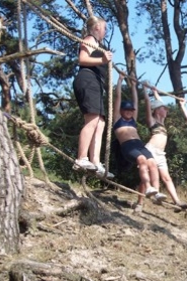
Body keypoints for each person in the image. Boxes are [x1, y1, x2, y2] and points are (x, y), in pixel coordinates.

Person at [113, 73, 167, 212]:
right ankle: (148, 186)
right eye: (127, 110)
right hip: (127, 145)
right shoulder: (117, 119)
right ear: (121, 111)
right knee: (142, 160)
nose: (130, 112)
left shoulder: (133, 120)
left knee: (153, 163)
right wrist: (120, 80)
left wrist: (138, 87)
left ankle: (156, 191)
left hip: (139, 144)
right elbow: (118, 98)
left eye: (131, 110)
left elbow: (136, 102)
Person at [72, 16, 114, 179]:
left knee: (100, 123)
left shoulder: (98, 44)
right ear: (96, 27)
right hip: (87, 80)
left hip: (96, 84)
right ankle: (81, 158)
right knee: (92, 120)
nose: (105, 31)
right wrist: (102, 59)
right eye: (104, 28)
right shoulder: (89, 39)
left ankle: (95, 161)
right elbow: (82, 59)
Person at [136, 86, 187, 210]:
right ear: (156, 110)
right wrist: (145, 90)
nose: (166, 110)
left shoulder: (162, 121)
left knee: (166, 177)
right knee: (146, 178)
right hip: (151, 150)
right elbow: (148, 105)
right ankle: (139, 202)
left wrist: (155, 92)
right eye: (163, 108)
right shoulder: (152, 121)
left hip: (160, 153)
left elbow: (160, 103)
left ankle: (177, 201)